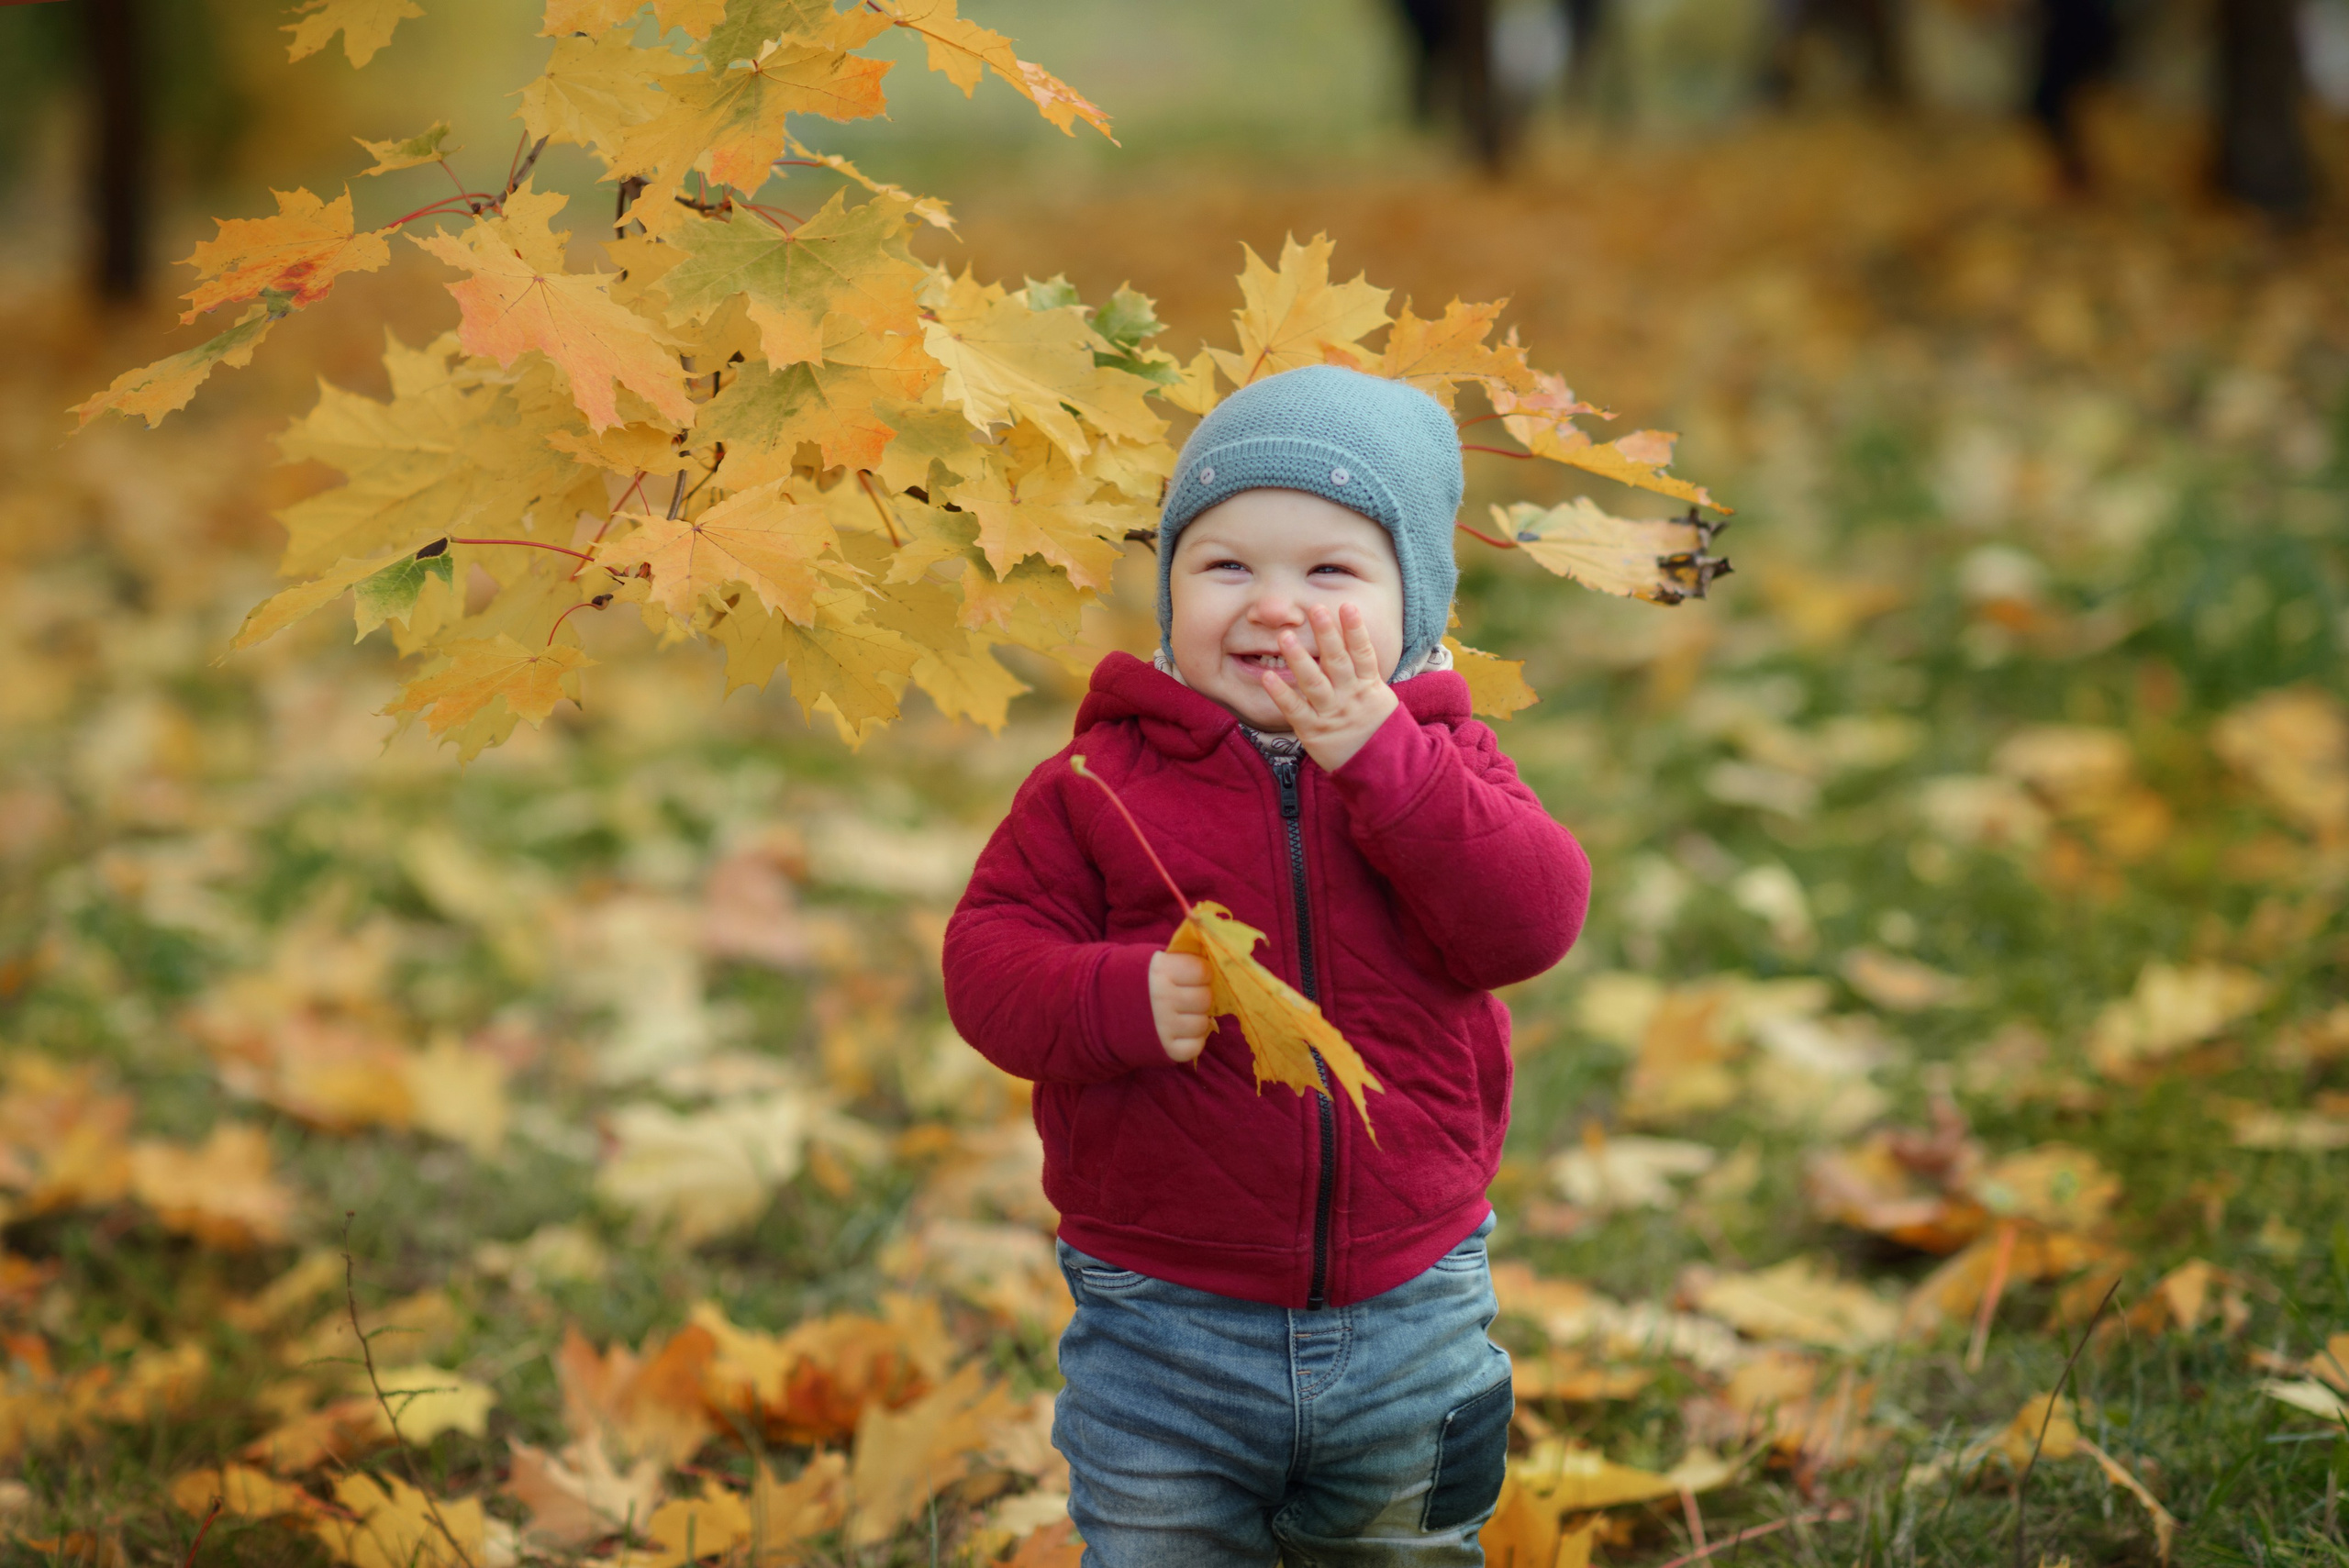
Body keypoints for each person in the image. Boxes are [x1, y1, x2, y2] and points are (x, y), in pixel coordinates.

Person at [941, 364, 1592, 1566]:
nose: (1274, 608)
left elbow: (1530, 923)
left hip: (1414, 1302)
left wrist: (1387, 764)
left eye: (1330, 572)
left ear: (1414, 604)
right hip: (1161, 1318)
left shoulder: (1447, 763)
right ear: (1170, 590)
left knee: (1399, 1548)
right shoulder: (1100, 784)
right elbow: (987, 957)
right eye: (1227, 566)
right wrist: (1112, 995)